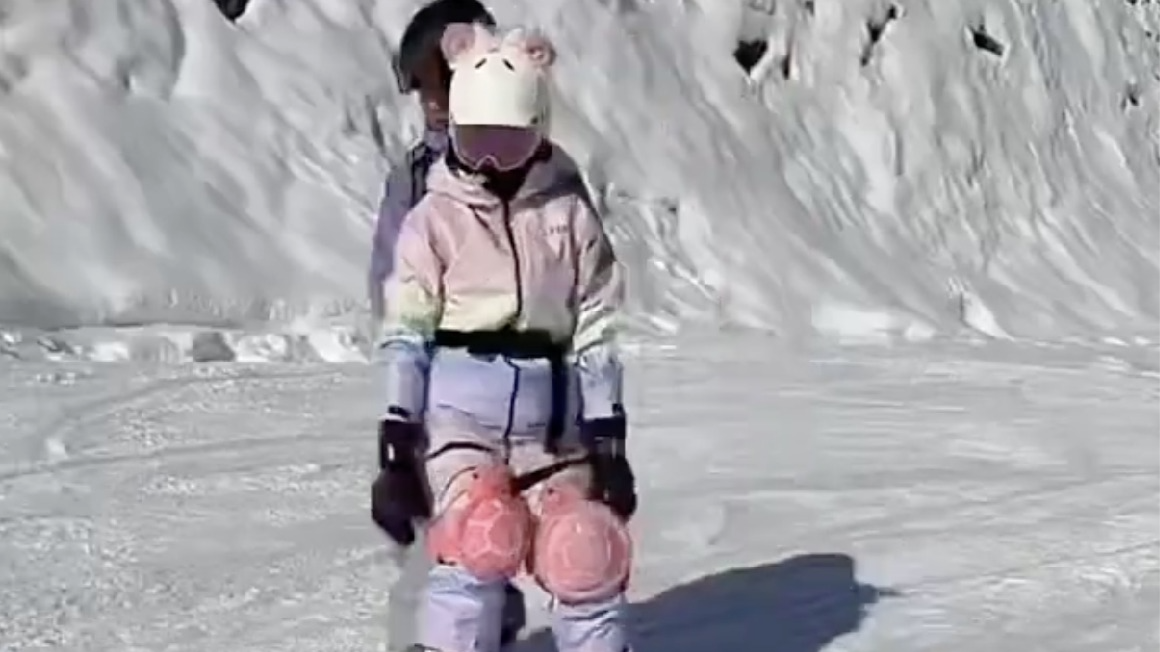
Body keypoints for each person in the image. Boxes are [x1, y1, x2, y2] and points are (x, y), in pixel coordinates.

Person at [370, 21, 638, 652]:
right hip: (463, 421)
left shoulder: (566, 214)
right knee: (478, 537)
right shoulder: (435, 216)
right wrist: (398, 436)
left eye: (508, 145)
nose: (491, 164)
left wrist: (608, 436)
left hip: (553, 428)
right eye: (477, 143)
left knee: (584, 552)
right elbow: (407, 329)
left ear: (537, 133)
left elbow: (596, 324)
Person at [369, 2, 527, 650]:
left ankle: (475, 629)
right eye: (424, 91)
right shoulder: (413, 175)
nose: (432, 105)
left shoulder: (515, 164)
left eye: (443, 87)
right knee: (424, 526)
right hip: (430, 381)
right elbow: (388, 271)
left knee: (475, 523)